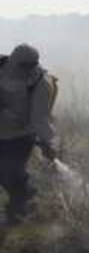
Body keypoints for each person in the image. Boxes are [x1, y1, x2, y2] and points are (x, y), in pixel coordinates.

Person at [0, 44, 57, 224]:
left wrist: (48, 142)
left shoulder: (41, 83)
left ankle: (20, 209)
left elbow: (39, 119)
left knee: (10, 172)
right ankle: (24, 200)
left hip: (21, 135)